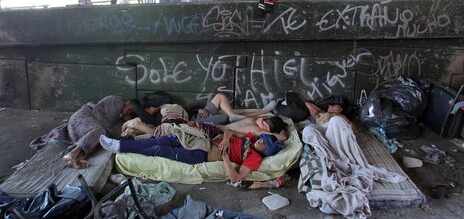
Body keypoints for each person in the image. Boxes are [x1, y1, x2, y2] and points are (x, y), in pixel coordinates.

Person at [99, 129, 285, 183]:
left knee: (159, 151)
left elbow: (235, 178)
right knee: (162, 140)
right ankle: (119, 145)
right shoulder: (251, 139)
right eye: (264, 139)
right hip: (201, 141)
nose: (262, 141)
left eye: (265, 144)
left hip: (200, 155)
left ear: (266, 151)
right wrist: (227, 140)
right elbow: (228, 130)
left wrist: (226, 156)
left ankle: (124, 150)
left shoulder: (255, 158)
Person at [30, 95, 127, 169]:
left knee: (102, 139)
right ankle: (73, 153)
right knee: (100, 132)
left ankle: (78, 158)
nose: (125, 114)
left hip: (91, 126)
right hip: (82, 117)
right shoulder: (117, 100)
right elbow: (102, 117)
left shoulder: (119, 118)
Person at [121, 93, 277, 137]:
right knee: (224, 118)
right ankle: (255, 113)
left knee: (220, 97)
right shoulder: (156, 120)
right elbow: (145, 117)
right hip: (194, 122)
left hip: (196, 114)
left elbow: (181, 106)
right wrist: (133, 108)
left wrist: (199, 109)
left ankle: (238, 115)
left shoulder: (163, 107)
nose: (149, 109)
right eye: (146, 110)